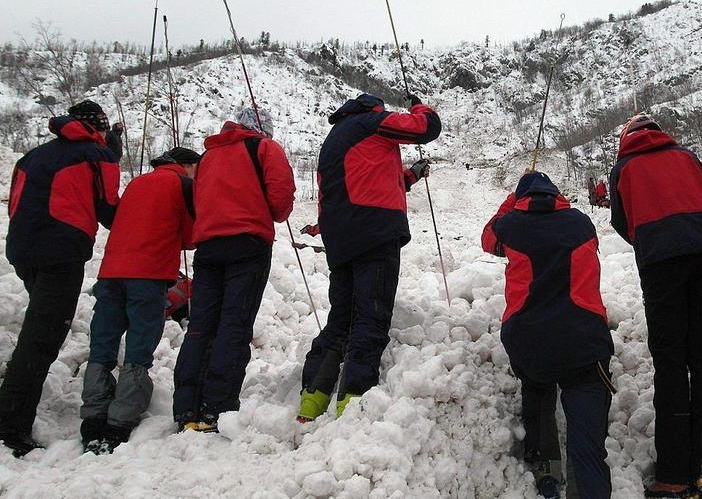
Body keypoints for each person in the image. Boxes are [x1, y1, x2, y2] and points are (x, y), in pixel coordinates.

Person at [609, 114, 702, 498]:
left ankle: (674, 473)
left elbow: (620, 221)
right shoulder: (688, 156)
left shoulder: (624, 167)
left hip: (664, 261)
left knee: (671, 361)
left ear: (626, 139)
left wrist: (652, 242)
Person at [298, 92, 440, 421]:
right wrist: (418, 106)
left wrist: (411, 175)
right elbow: (427, 127)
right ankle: (355, 398)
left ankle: (312, 397)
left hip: (341, 235)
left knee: (342, 318)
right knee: (370, 316)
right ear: (375, 109)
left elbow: (367, 183)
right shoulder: (374, 122)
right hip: (374, 232)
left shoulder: (335, 139)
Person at [482, 172, 615, 499]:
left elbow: (488, 238)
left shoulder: (510, 226)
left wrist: (512, 201)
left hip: (530, 342)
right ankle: (586, 481)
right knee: (588, 440)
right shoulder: (582, 223)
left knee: (538, 388)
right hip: (584, 342)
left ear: (521, 198)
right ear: (556, 195)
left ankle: (546, 472)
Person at [1, 101, 120, 456]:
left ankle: (13, 396)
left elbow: (15, 203)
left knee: (38, 329)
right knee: (41, 339)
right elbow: (110, 212)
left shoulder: (32, 157)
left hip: (22, 249)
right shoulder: (97, 156)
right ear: (98, 129)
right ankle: (10, 426)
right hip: (61, 252)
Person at [172, 107, 295, 432]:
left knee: (200, 325)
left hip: (209, 247)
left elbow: (198, 203)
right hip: (248, 245)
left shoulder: (208, 157)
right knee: (233, 325)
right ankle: (217, 408)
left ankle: (186, 409)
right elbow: (281, 204)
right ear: (263, 130)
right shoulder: (265, 148)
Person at [80, 147, 200, 453]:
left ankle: (93, 416)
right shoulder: (183, 185)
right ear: (187, 166)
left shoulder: (138, 182)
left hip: (111, 273)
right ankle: (120, 420)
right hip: (148, 276)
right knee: (138, 346)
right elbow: (190, 236)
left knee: (103, 343)